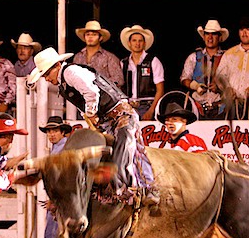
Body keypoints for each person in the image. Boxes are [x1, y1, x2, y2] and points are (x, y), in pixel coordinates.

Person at [28, 47, 159, 206]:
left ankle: (145, 190)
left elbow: (91, 92)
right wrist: (93, 120)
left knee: (125, 152)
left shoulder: (71, 72)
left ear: (57, 66)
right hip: (110, 119)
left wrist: (91, 113)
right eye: (44, 76)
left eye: (47, 74)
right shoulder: (65, 82)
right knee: (116, 153)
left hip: (121, 114)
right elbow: (84, 103)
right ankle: (123, 192)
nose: (46, 79)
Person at [154, 93, 231, 238]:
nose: (171, 123)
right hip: (182, 202)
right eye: (169, 120)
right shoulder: (167, 145)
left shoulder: (191, 142)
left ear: (185, 121)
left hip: (195, 201)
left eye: (176, 119)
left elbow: (198, 175)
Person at [39, 116, 72, 238]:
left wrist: (54, 199)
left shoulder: (61, 150)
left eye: (54, 131)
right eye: (49, 131)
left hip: (61, 199)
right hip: (64, 198)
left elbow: (62, 178)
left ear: (62, 132)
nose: (51, 134)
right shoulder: (60, 148)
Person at [180, 19, 229, 120]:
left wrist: (220, 87)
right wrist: (195, 85)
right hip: (197, 107)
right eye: (207, 34)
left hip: (220, 108)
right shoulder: (194, 57)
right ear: (204, 37)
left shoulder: (228, 57)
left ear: (219, 37)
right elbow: (184, 79)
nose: (210, 37)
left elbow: (234, 81)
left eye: (214, 34)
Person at [119, 25, 164, 121]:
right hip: (128, 107)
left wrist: (151, 110)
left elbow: (160, 90)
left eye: (140, 41)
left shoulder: (153, 61)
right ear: (129, 43)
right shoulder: (123, 63)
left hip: (147, 105)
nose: (137, 43)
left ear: (144, 43)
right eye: (134, 40)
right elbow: (119, 88)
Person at [72, 20, 124, 87]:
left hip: (103, 96)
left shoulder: (109, 57)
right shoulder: (78, 57)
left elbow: (119, 80)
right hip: (81, 95)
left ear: (100, 38)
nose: (90, 37)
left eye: (94, 34)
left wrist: (98, 85)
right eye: (88, 34)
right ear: (84, 37)